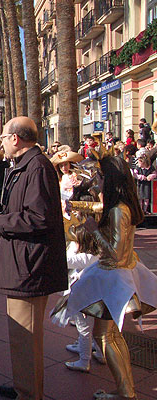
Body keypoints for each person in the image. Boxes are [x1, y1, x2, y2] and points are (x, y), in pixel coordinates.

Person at [0, 116, 67, 400]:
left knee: (26, 338)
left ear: (16, 139)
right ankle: (23, 387)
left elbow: (39, 218)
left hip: (30, 266)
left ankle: (29, 393)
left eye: (4, 137)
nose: (2, 142)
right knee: (21, 338)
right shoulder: (26, 166)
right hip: (23, 263)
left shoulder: (37, 167)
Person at [67, 155, 157, 400]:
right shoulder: (121, 205)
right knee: (111, 335)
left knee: (106, 335)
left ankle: (126, 392)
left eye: (100, 177)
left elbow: (115, 254)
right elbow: (99, 208)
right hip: (117, 275)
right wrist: (77, 206)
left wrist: (94, 231)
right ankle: (126, 390)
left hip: (113, 278)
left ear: (111, 179)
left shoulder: (118, 210)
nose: (97, 181)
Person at [60, 225, 104, 372]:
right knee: (97, 329)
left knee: (84, 329)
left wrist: (72, 247)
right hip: (97, 297)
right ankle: (100, 353)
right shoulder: (99, 254)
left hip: (82, 299)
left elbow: (63, 260)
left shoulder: (82, 258)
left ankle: (84, 361)